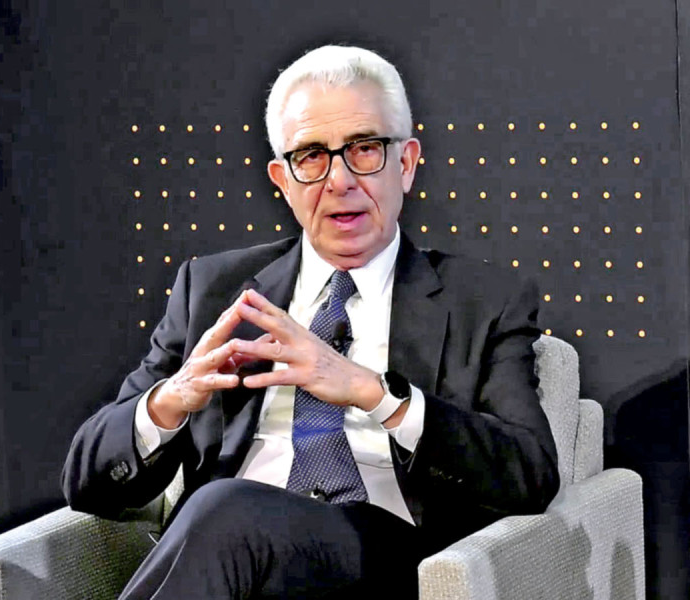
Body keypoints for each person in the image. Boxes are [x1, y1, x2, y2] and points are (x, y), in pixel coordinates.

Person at [62, 45, 559, 599]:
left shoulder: (483, 301)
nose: (340, 180)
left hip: (384, 561)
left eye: (365, 149)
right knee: (226, 514)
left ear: (406, 164)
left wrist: (376, 395)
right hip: (226, 565)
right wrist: (172, 400)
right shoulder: (215, 291)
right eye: (312, 156)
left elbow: (530, 474)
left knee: (227, 510)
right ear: (282, 178)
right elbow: (87, 484)